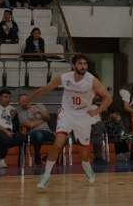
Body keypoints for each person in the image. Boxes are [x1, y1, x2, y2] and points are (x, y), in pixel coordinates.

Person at [30, 54, 112, 190]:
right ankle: (46, 175)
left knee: (84, 153)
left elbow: (108, 98)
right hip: (67, 114)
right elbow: (46, 89)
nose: (83, 66)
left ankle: (87, 166)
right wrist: (29, 98)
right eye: (80, 63)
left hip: (83, 116)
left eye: (85, 64)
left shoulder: (91, 80)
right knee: (57, 143)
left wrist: (97, 110)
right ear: (74, 66)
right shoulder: (64, 77)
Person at [0, 89, 25, 168]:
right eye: (5, 97)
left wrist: (14, 111)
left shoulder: (9, 107)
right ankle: (1, 158)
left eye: (9, 97)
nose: (8, 99)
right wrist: (6, 131)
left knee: (22, 138)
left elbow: (14, 109)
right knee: (5, 139)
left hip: (8, 131)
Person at [17, 93, 54, 162]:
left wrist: (39, 111)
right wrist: (43, 120)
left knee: (61, 139)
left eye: (26, 100)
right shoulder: (21, 114)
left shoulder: (39, 105)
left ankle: (50, 157)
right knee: (39, 135)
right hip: (34, 133)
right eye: (22, 101)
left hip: (47, 131)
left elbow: (48, 117)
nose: (25, 102)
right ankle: (37, 156)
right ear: (19, 103)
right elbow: (31, 125)